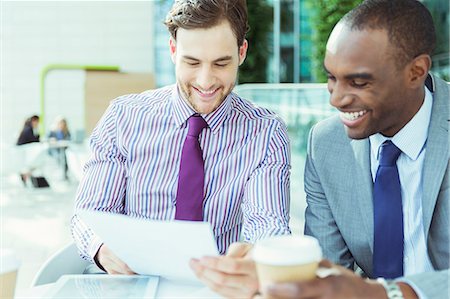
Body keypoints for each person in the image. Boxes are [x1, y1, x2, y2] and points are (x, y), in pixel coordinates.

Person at [190, 0, 449, 298]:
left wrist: (388, 293)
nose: (337, 100)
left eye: (359, 82)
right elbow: (326, 271)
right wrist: (272, 278)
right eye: (331, 78)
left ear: (416, 72)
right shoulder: (327, 144)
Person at [71, 0, 291, 275]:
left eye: (221, 63)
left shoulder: (266, 132)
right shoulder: (122, 119)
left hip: (217, 287)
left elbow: (268, 223)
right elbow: (90, 213)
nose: (206, 80)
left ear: (241, 52)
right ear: (173, 50)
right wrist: (102, 249)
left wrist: (260, 254)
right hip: (133, 283)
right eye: (192, 62)